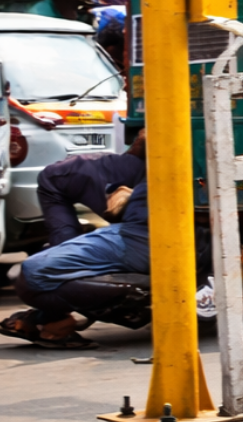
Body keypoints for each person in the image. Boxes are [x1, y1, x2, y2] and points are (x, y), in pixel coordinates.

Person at [1, 181, 150, 348]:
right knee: (144, 288)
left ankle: (44, 319)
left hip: (29, 275)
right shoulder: (143, 238)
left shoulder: (144, 188)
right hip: (37, 282)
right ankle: (51, 327)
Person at [33, 134, 146, 250]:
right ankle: (66, 249)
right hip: (64, 178)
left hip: (124, 171)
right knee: (67, 244)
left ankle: (67, 248)